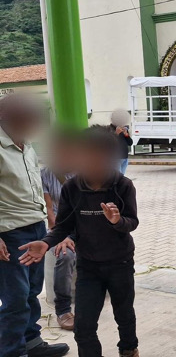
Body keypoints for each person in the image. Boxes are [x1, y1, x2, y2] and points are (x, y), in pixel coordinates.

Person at [19, 127, 140, 357]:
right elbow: (63, 225)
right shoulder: (72, 188)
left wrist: (117, 220)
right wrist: (45, 243)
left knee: (124, 315)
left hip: (120, 263)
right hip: (88, 267)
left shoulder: (123, 185)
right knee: (83, 327)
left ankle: (129, 349)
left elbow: (132, 222)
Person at [0, 94, 70, 357]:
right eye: (31, 117)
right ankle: (12, 351)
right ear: (8, 118)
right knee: (15, 299)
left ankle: (31, 343)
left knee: (31, 292)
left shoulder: (27, 145)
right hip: (9, 233)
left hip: (35, 227)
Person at [41, 133, 78, 331]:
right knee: (64, 254)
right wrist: (63, 237)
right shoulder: (46, 174)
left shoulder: (84, 174)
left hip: (83, 227)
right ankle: (63, 309)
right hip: (59, 229)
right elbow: (50, 212)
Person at [110, 109, 133, 174]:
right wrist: (116, 134)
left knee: (122, 177)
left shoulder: (123, 128)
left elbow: (130, 143)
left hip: (124, 158)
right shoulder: (109, 129)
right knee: (118, 177)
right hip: (115, 158)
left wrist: (126, 135)